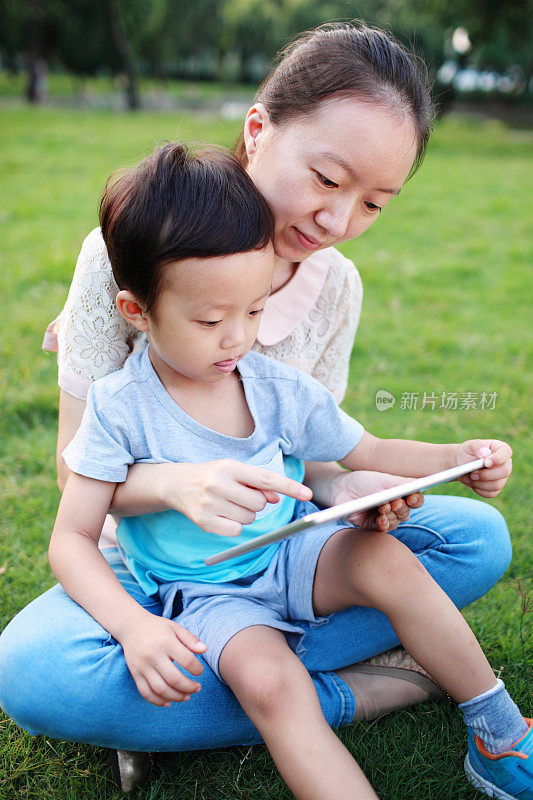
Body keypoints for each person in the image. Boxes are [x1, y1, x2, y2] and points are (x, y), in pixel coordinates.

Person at [0, 21, 515, 794]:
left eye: (374, 204)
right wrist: (178, 485)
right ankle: (362, 687)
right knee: (33, 672)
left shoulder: (335, 287)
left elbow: (322, 455)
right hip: (157, 567)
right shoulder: (129, 250)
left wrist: (351, 491)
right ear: (257, 129)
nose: (337, 222)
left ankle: (205, 704)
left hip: (290, 547)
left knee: (473, 539)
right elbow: (80, 476)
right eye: (326, 180)